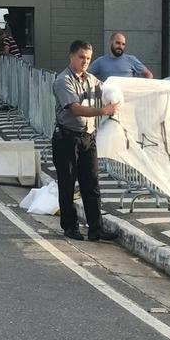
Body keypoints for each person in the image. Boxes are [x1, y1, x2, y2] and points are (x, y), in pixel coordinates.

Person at [52, 40, 120, 242]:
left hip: (87, 137)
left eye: (88, 58)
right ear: (72, 56)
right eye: (81, 57)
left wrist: (119, 93)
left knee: (91, 184)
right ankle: (70, 226)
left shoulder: (90, 79)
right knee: (68, 184)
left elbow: (106, 91)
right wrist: (103, 111)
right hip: (67, 137)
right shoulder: (63, 80)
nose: (85, 62)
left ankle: (96, 228)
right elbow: (75, 108)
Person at [88, 32, 153, 81]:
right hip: (109, 97)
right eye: (118, 43)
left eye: (123, 44)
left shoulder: (131, 59)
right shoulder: (100, 61)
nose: (120, 46)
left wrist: (143, 90)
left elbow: (149, 74)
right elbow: (85, 74)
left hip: (128, 97)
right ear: (111, 43)